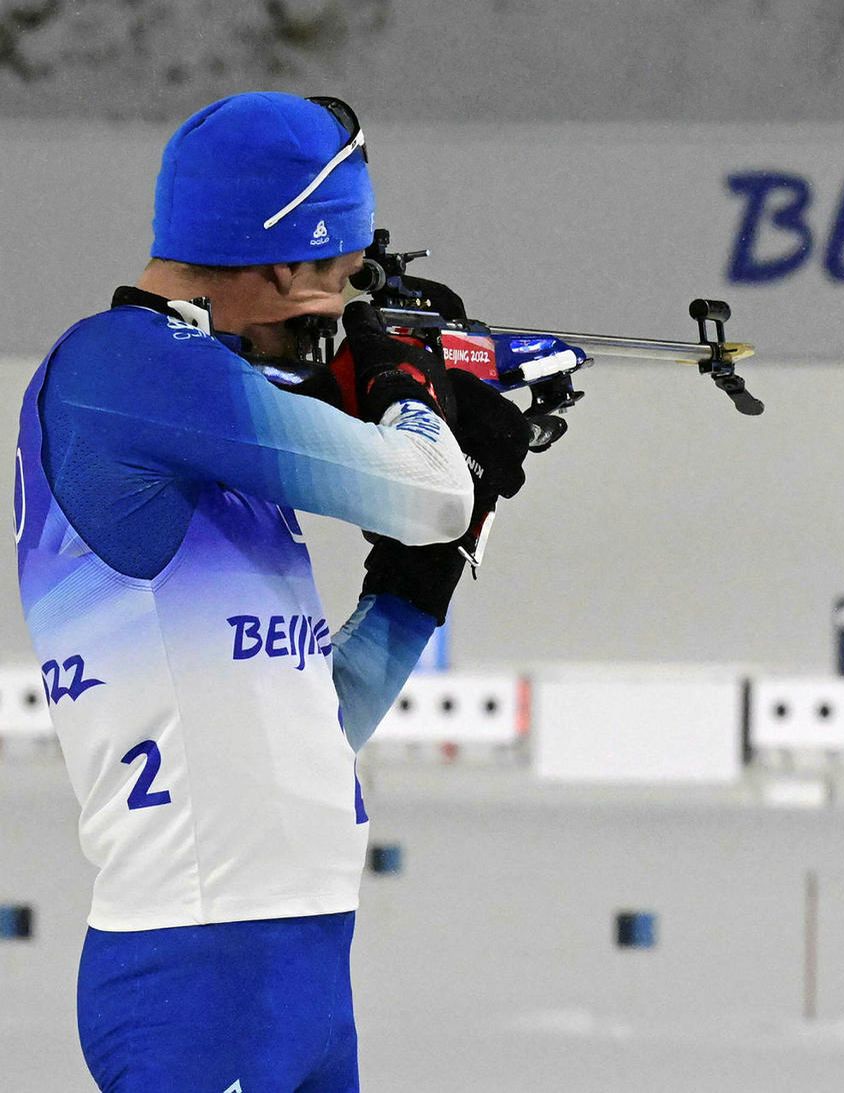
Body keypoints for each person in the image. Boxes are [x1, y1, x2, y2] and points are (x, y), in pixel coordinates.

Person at [13, 92, 531, 1091]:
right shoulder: (122, 366)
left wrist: (413, 585)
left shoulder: (191, 426)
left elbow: (311, 727)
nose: (344, 314)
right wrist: (405, 383)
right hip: (198, 973)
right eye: (340, 282)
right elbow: (424, 491)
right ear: (285, 263)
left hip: (291, 967)